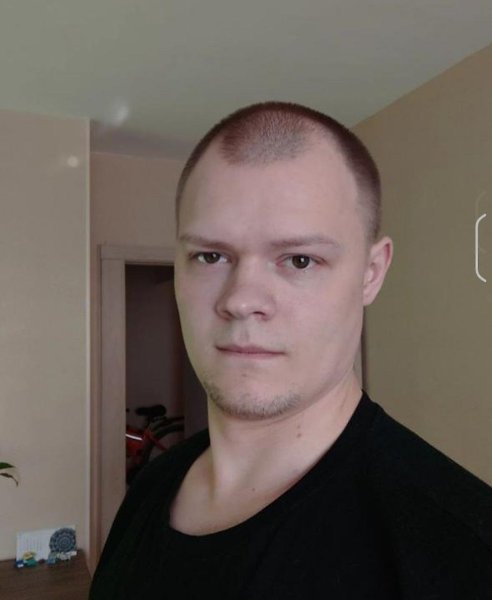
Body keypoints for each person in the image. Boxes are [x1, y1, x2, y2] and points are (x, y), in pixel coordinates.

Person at [90, 102, 492, 599]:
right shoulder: (151, 489)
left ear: (371, 274)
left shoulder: (465, 556)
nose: (241, 300)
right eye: (210, 256)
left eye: (300, 260)